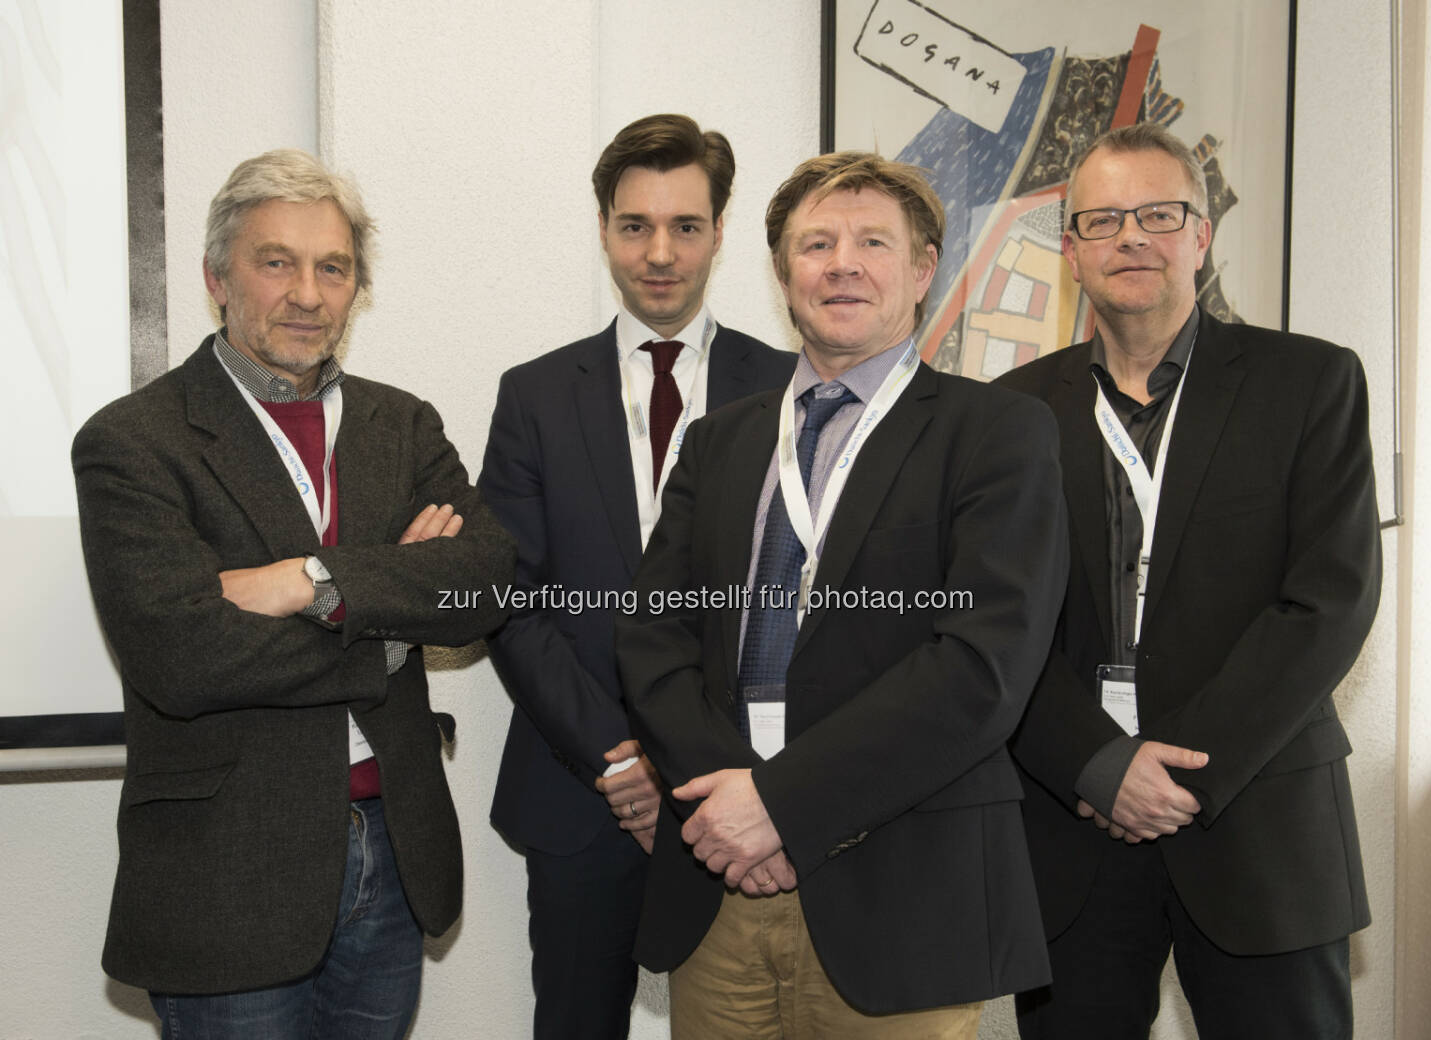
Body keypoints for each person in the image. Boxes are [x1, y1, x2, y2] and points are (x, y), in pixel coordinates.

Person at [613, 151, 1068, 1038]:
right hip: (719, 886)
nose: (843, 263)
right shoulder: (718, 442)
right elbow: (652, 639)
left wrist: (781, 806)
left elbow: (980, 667)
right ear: (784, 272)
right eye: (815, 244)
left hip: (903, 892)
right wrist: (730, 803)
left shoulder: (997, 434)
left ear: (924, 268)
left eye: (872, 241)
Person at [71, 148, 515, 1039]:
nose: (308, 293)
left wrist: (315, 581)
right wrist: (388, 628)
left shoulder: (402, 423)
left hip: (393, 851)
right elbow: (183, 657)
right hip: (229, 871)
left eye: (333, 267)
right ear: (216, 278)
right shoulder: (133, 443)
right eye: (276, 262)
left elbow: (487, 581)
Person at [995, 123, 1381, 1039]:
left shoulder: (1311, 383)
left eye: (1160, 213)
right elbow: (993, 628)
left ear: (1202, 235)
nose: (1133, 236)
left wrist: (1177, 774)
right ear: (1072, 248)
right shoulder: (1007, 416)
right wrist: (1100, 763)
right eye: (1104, 219)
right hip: (1070, 829)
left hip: (1256, 822)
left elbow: (1327, 602)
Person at [478, 113, 793, 1039]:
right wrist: (618, 759)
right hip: (581, 794)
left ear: (721, 232)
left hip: (749, 794)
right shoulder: (534, 395)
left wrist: (694, 766)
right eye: (633, 226)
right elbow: (513, 599)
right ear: (604, 228)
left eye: (685, 226)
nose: (659, 253)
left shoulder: (789, 388)